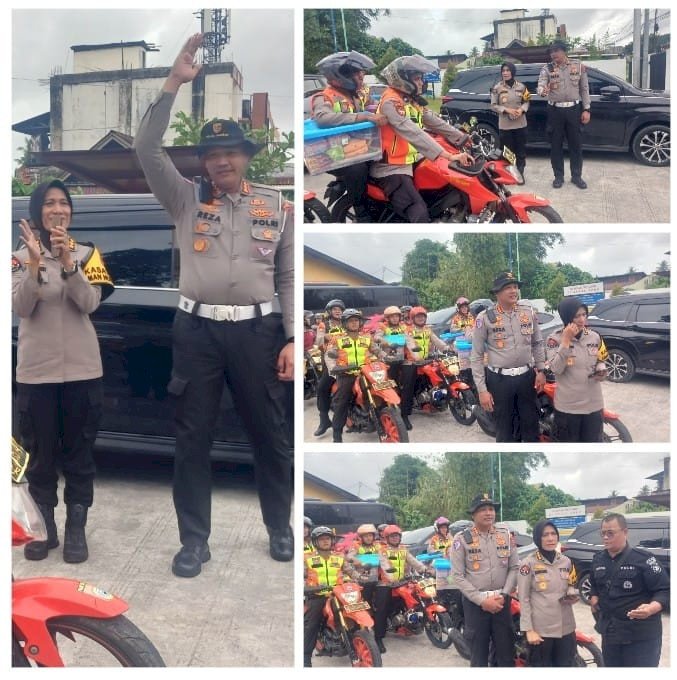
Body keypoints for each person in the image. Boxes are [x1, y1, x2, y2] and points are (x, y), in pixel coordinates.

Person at [134, 33, 294, 577]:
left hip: (258, 333)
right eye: (212, 154)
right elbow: (146, 149)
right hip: (197, 332)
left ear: (246, 158)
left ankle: (279, 527)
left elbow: (288, 276)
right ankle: (194, 541)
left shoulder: (276, 206)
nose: (222, 160)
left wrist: (292, 338)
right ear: (203, 161)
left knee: (270, 435)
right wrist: (173, 82)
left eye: (231, 152)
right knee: (192, 439)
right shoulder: (184, 198)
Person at [13, 180, 114, 564]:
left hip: (83, 373)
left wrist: (69, 264)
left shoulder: (88, 254)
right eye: (49, 203)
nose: (58, 209)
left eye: (64, 203)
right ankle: (44, 529)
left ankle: (75, 530)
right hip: (36, 375)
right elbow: (21, 308)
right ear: (38, 211)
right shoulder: (16, 257)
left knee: (79, 456)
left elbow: (89, 304)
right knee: (40, 458)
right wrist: (35, 265)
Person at [370, 55, 473, 222]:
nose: (421, 82)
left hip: (412, 161)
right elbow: (414, 133)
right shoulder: (391, 102)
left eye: (421, 78)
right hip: (391, 168)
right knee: (419, 213)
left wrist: (462, 137)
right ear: (403, 80)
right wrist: (448, 155)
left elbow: (435, 122)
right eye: (417, 79)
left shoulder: (409, 101)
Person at [470, 272, 546, 442]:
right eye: (508, 288)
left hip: (527, 378)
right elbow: (476, 356)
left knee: (531, 428)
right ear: (497, 293)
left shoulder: (528, 313)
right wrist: (482, 390)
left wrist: (541, 370)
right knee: (505, 432)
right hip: (500, 381)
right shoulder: (485, 318)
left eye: (515, 287)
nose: (513, 291)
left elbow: (537, 342)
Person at [313, 51, 388, 222]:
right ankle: (361, 212)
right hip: (332, 154)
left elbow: (374, 107)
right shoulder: (324, 97)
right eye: (356, 72)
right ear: (340, 74)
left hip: (355, 149)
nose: (362, 75)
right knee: (357, 168)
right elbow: (322, 118)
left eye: (361, 71)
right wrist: (363, 116)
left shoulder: (355, 95)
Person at [589, 513, 669, 667]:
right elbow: (593, 585)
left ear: (625, 532)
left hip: (641, 637)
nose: (605, 537)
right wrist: (593, 597)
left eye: (610, 533)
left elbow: (665, 590)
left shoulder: (644, 559)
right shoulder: (598, 559)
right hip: (611, 634)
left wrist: (652, 608)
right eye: (603, 533)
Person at [451, 493, 518, 667]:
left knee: (506, 655)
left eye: (491, 509)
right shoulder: (462, 539)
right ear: (473, 514)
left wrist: (504, 594)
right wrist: (482, 601)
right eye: (483, 509)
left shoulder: (505, 536)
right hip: (476, 605)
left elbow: (514, 568)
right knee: (478, 657)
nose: (489, 513)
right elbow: (457, 576)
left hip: (502, 602)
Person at [545, 296, 609, 442]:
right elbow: (556, 368)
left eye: (584, 315)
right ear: (567, 317)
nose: (581, 320)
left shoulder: (594, 336)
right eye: (576, 316)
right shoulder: (554, 339)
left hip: (593, 405)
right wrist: (566, 341)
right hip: (568, 409)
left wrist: (601, 370)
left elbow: (601, 359)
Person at [518, 520, 578, 666]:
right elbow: (524, 598)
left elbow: (571, 585)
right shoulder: (528, 563)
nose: (550, 538)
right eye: (545, 535)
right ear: (537, 538)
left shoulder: (566, 561)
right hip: (541, 631)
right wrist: (528, 630)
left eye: (553, 534)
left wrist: (572, 595)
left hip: (565, 628)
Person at [537, 41, 591, 189]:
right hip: (555, 111)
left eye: (556, 51)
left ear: (564, 51)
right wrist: (543, 91)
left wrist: (586, 109)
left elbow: (584, 89)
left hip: (574, 110)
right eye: (551, 52)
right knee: (555, 145)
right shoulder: (547, 68)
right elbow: (540, 85)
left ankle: (576, 176)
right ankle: (558, 177)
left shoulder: (578, 66)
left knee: (576, 145)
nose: (553, 54)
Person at [304, 526, 359, 667]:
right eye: (322, 539)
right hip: (317, 595)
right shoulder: (307, 558)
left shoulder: (339, 557)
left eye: (327, 538)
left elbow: (350, 571)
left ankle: (356, 638)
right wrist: (306, 587)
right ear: (315, 542)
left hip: (338, 594)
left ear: (332, 540)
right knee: (312, 625)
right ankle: (306, 656)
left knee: (355, 611)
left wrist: (360, 578)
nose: (325, 541)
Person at [374, 524, 430, 653]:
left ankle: (410, 623)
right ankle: (378, 638)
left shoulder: (403, 549)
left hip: (401, 582)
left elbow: (413, 561)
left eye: (397, 536)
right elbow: (385, 566)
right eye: (392, 536)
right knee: (382, 610)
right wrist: (392, 578)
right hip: (386, 584)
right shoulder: (382, 551)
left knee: (415, 597)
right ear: (387, 538)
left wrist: (424, 569)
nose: (395, 538)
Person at [324, 308, 375, 442]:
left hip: (366, 372)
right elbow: (328, 355)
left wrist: (386, 356)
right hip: (346, 373)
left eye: (356, 320)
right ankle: (337, 434)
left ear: (360, 322)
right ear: (345, 323)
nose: (354, 323)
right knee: (342, 402)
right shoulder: (337, 339)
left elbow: (377, 350)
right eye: (351, 321)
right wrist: (333, 368)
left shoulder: (367, 337)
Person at [373, 305, 418, 430]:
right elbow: (376, 338)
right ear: (387, 318)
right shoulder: (382, 327)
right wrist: (387, 342)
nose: (394, 318)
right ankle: (387, 412)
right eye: (392, 316)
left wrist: (416, 353)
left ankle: (405, 414)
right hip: (388, 360)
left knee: (409, 382)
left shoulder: (404, 327)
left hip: (403, 359)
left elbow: (409, 341)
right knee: (388, 385)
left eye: (396, 316)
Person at [402, 306, 449, 422]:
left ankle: (436, 400)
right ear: (413, 318)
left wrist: (447, 349)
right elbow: (411, 345)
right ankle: (405, 414)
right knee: (408, 387)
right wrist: (417, 357)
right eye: (418, 317)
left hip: (426, 360)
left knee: (441, 374)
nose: (421, 318)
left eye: (423, 316)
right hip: (411, 362)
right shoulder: (408, 331)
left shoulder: (427, 330)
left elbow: (437, 341)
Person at [490, 62, 530, 181]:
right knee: (508, 152)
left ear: (513, 72)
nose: (505, 73)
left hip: (520, 124)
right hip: (505, 125)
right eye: (503, 71)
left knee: (521, 151)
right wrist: (507, 110)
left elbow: (527, 101)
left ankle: (520, 173)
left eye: (508, 70)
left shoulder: (522, 87)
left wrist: (521, 110)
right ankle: (511, 174)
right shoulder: (497, 88)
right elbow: (493, 105)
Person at [314, 298, 346, 436]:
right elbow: (318, 341)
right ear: (329, 312)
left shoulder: (347, 322)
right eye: (335, 309)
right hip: (331, 362)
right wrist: (326, 337)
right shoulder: (324, 325)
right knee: (322, 388)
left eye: (340, 309)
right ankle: (324, 420)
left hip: (349, 359)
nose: (338, 311)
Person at [346, 523, 381, 608]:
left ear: (373, 536)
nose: (368, 538)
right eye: (366, 536)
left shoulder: (377, 546)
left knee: (379, 602)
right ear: (361, 537)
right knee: (365, 603)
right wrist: (359, 561)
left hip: (376, 580)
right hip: (362, 581)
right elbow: (349, 557)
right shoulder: (356, 547)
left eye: (370, 535)